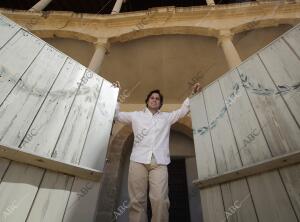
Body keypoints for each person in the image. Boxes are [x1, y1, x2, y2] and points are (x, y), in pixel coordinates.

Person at [114, 82, 202, 222]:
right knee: (137, 201)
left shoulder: (166, 118)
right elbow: (116, 115)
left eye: (157, 99)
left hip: (159, 163)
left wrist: (192, 95)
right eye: (152, 98)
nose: (154, 100)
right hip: (138, 161)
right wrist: (115, 95)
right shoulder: (136, 116)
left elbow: (182, 111)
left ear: (160, 103)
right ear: (147, 101)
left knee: (160, 200)